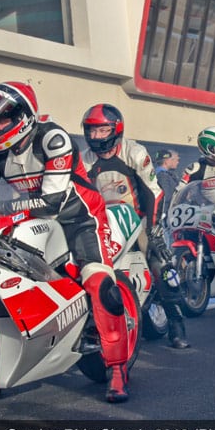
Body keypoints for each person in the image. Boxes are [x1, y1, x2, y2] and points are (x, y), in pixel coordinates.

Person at [0, 82, 130, 403]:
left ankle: (117, 368)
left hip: (78, 218)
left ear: (24, 118)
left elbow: (53, 198)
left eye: (1, 120)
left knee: (100, 284)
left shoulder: (52, 138)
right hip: (32, 219)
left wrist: (1, 209)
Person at [81, 103, 190, 350]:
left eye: (102, 131)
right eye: (92, 131)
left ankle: (176, 324)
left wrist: (153, 231)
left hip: (138, 218)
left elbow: (154, 193)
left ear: (116, 130)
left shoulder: (135, 152)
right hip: (103, 221)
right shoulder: (85, 160)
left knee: (161, 262)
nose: (96, 136)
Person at [154, 149, 180, 218]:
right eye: (175, 160)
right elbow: (166, 197)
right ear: (166, 161)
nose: (177, 162)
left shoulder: (158, 174)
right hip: (164, 214)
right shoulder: (163, 176)